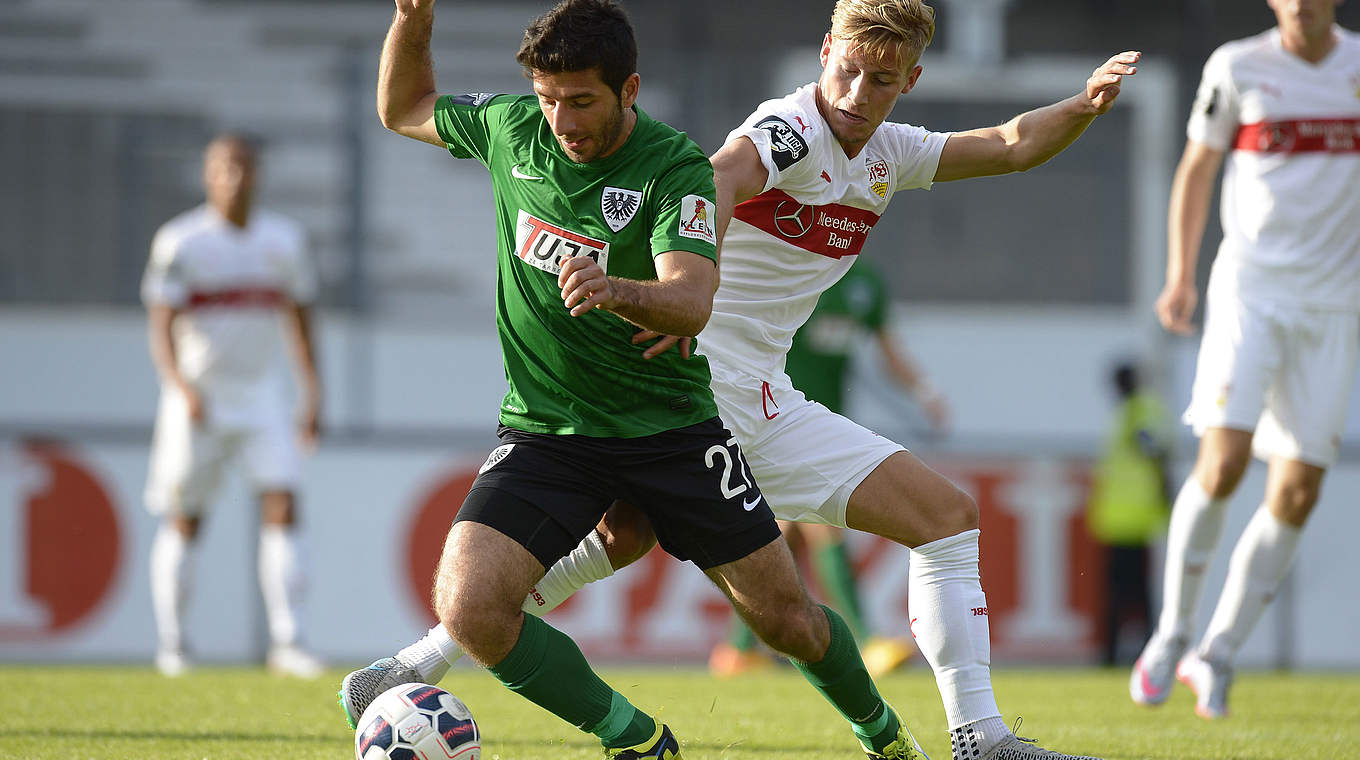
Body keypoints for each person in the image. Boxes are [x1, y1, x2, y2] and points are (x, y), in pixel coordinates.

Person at [347, 2, 1138, 758]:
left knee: (939, 519)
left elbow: (1006, 144)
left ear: (910, 82)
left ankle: (980, 741)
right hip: (693, 376)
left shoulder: (890, 154)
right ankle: (974, 738)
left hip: (761, 391)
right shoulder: (789, 128)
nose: (860, 96)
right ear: (827, 56)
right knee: (638, 538)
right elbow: (719, 176)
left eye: (883, 82)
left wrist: (1084, 104)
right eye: (850, 72)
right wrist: (688, 294)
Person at [1129, 0, 1360, 721]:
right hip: (1251, 294)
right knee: (1223, 464)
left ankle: (1218, 653)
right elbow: (1198, 166)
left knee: (1297, 493)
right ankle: (1170, 635)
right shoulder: (1237, 66)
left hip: (1334, 304)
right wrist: (1180, 273)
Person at [709, 262, 949, 679]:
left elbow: (888, 349)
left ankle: (738, 650)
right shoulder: (792, 268)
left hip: (826, 428)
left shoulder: (865, 283)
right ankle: (868, 638)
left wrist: (926, 392)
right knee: (820, 528)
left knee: (784, 534)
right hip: (774, 424)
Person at [141, 133, 324, 678]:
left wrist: (311, 391)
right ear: (207, 174)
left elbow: (300, 318)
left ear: (258, 174)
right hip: (198, 398)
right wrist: (180, 386)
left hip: (262, 394)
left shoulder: (283, 240)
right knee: (186, 516)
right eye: (224, 167)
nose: (235, 177)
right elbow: (161, 324)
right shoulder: (182, 241)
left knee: (284, 502)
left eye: (244, 167)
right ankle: (173, 646)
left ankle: (288, 642)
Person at [1086, 362, 1171, 667]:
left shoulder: (1136, 411)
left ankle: (1119, 654)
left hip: (1130, 519)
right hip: (1126, 518)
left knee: (1124, 593)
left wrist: (1165, 489)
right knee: (1135, 592)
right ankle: (1139, 651)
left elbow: (1152, 450)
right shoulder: (1133, 411)